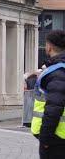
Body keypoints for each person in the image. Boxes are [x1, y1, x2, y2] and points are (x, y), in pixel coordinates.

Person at [31, 30, 65, 159]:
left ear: (49, 46)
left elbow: (54, 109)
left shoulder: (58, 72)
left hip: (56, 138)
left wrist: (45, 139)